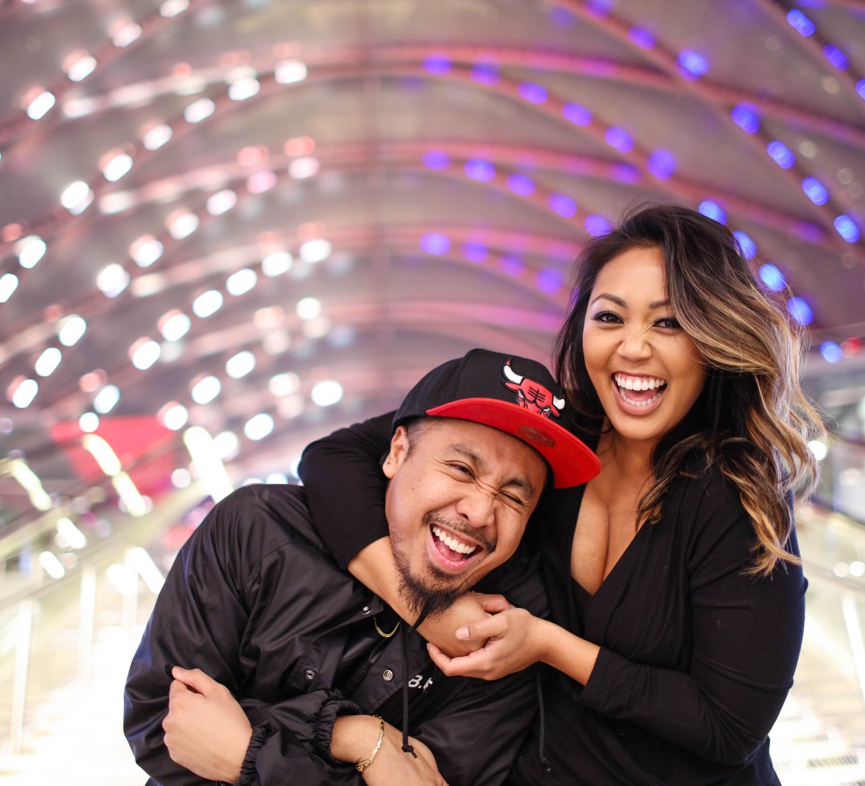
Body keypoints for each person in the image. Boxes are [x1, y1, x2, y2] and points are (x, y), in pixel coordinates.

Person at [297, 203, 826, 784]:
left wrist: (548, 645)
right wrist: (423, 607)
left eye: (667, 322)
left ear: (712, 337)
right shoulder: (552, 433)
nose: (633, 348)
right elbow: (336, 457)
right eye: (609, 318)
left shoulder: (737, 497)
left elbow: (728, 727)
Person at [123, 349, 601, 786]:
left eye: (514, 497)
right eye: (461, 469)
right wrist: (355, 736)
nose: (479, 512)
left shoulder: (507, 639)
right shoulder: (256, 531)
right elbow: (163, 728)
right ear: (396, 452)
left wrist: (249, 756)